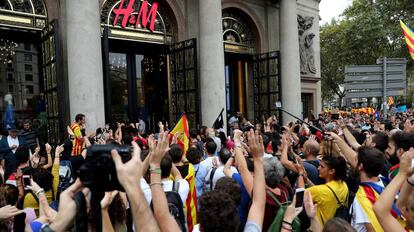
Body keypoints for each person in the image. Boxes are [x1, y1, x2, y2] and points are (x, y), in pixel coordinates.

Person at [307, 156, 349, 225]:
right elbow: (320, 193)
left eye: (322, 167)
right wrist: (306, 180)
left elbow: (300, 196)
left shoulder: (322, 190)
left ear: (332, 171)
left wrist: (300, 174)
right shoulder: (344, 184)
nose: (318, 168)